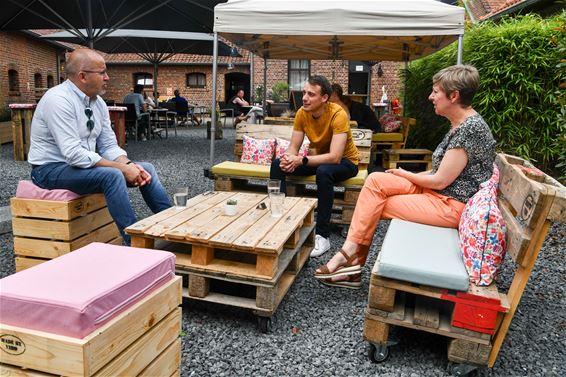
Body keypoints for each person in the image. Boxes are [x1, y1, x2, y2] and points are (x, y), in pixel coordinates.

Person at [314, 65, 496, 289]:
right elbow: (440, 173)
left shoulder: (470, 130)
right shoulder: (461, 125)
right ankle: (351, 258)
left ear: (454, 96)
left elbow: (440, 180)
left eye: (436, 91)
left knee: (378, 204)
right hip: (437, 193)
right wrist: (410, 176)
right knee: (375, 180)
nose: (431, 97)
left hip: (449, 204)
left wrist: (406, 174)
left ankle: (351, 260)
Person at [27, 49, 172, 246]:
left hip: (79, 167)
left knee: (146, 169)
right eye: (102, 72)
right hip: (49, 170)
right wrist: (122, 169)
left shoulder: (98, 103)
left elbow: (109, 146)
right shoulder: (58, 100)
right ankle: (135, 242)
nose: (107, 77)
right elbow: (73, 154)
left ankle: (174, 228)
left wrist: (130, 165)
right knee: (111, 176)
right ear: (82, 76)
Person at [270, 75, 360, 258]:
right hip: (318, 159)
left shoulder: (338, 114)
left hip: (346, 162)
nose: (304, 98)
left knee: (324, 171)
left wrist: (301, 160)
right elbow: (293, 147)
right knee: (277, 164)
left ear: (324, 98)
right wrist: (288, 158)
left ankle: (322, 236)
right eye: (304, 93)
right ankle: (281, 220)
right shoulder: (302, 113)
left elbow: (335, 157)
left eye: (311, 94)